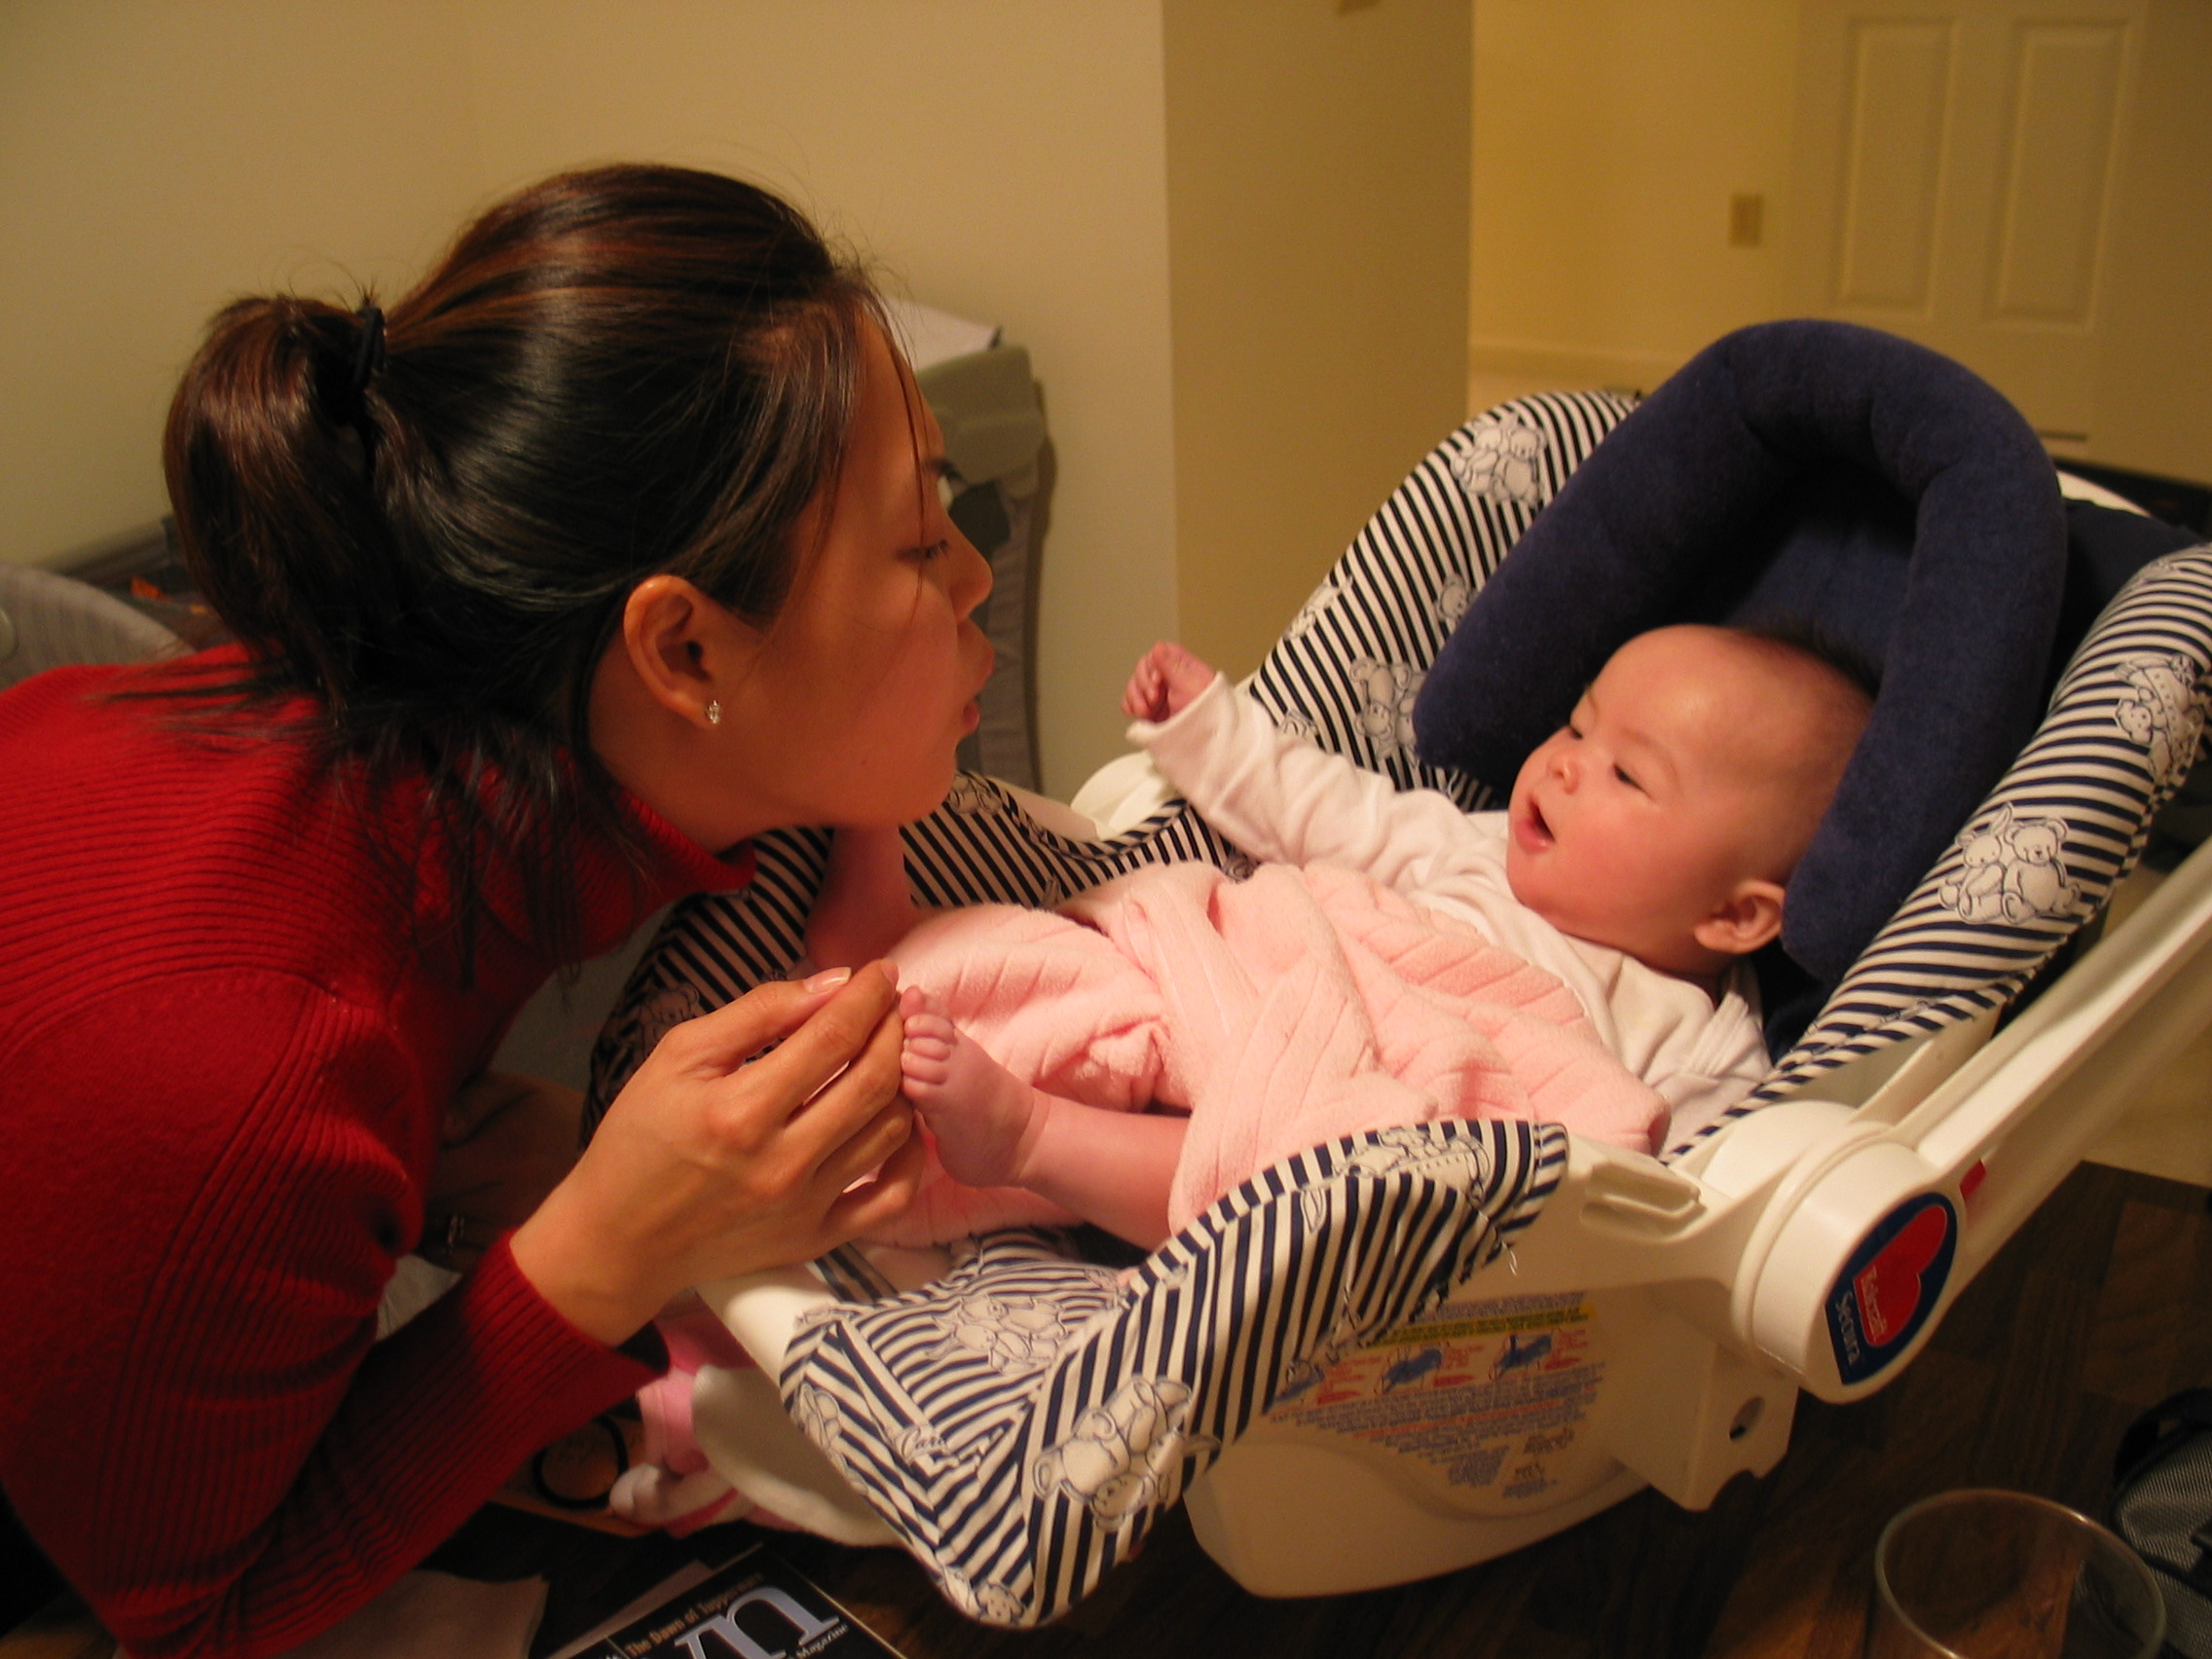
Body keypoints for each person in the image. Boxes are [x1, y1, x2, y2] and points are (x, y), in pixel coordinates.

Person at [0, 166, 994, 1658]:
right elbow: (189, 1612)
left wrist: (510, 1176)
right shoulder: (248, 1058)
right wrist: (596, 1253)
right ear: (684, 652)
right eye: (920, 543)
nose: (975, 575)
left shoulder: (415, 778)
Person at [808, 624, 1873, 1248]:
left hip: (1352, 1093)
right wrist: (1207, 727)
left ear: (1734, 914)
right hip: (1248, 981)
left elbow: (1676, 1207)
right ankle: (878, 962)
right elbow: (1321, 810)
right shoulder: (1472, 844)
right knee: (1074, 969)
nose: (1562, 763)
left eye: (1626, 774)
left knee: (1311, 1174)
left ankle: (1030, 1140)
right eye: (1579, 724)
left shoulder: (1701, 1039)